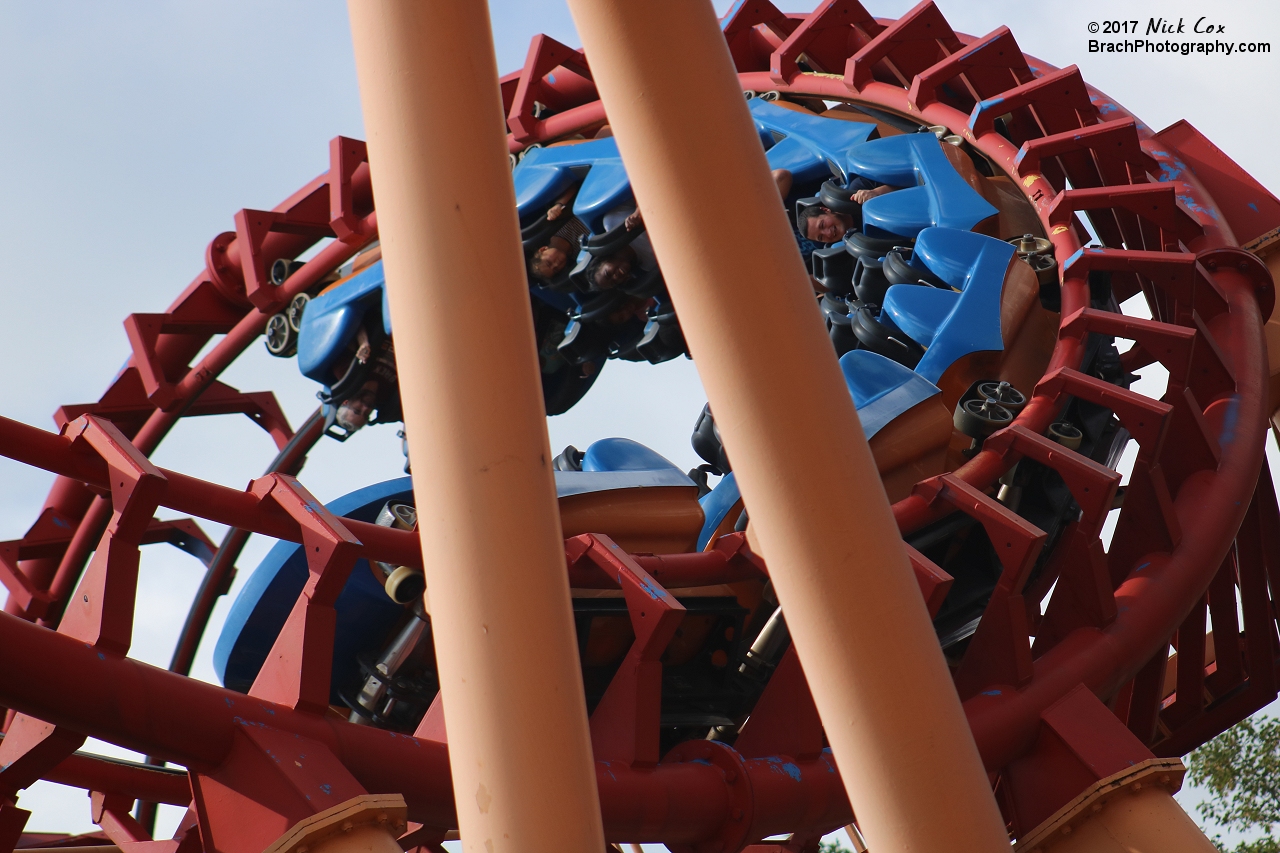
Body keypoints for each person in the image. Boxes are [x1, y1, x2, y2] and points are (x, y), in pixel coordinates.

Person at [332, 320, 400, 433]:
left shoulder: (346, 374)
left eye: (357, 410)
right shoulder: (387, 398)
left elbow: (351, 322)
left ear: (346, 402)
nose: (366, 408)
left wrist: (363, 343)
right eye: (366, 414)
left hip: (390, 320)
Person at [795, 180, 896, 243]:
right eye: (821, 237)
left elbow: (908, 182)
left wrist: (876, 193)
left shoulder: (857, 188)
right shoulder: (859, 244)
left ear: (825, 210)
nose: (828, 233)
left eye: (822, 225)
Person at [528, 186, 590, 282]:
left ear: (543, 249)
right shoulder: (581, 253)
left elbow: (573, 187)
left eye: (549, 263)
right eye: (556, 270)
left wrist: (558, 205)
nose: (556, 265)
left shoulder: (552, 226)